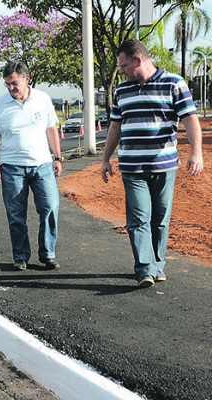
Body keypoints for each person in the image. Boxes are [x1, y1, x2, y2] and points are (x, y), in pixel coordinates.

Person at [101, 40, 204, 288]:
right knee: (138, 219)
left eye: (124, 66)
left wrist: (197, 152)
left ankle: (158, 265)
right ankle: (145, 268)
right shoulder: (121, 91)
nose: (122, 71)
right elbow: (115, 127)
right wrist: (105, 159)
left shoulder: (174, 84)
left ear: (138, 60)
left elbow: (190, 120)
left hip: (164, 166)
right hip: (132, 167)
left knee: (160, 219)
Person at [0, 61, 63, 271]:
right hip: (12, 167)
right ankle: (20, 256)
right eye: (7, 84)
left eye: (14, 83)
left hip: (42, 165)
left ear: (26, 79)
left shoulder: (43, 99)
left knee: (50, 207)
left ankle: (48, 254)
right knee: (16, 215)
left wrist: (57, 157)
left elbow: (51, 129)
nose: (11, 88)